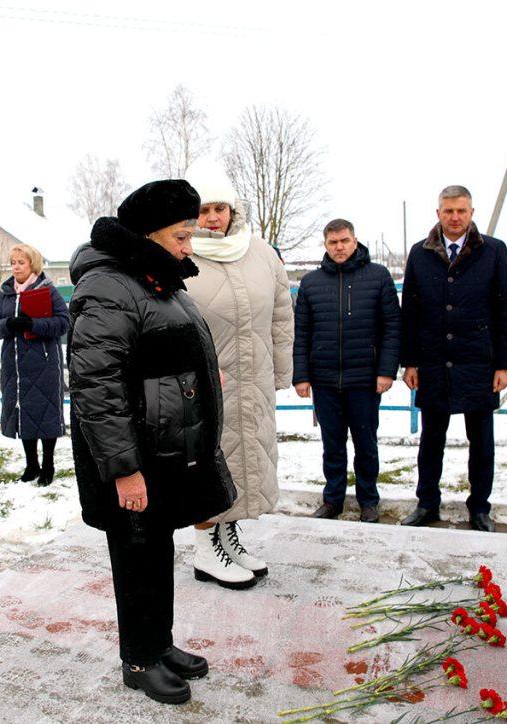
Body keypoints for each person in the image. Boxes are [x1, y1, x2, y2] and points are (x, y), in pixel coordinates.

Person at [69, 180, 237, 705]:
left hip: (165, 449)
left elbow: (163, 353)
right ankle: (138, 659)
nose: (190, 245)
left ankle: (158, 644)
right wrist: (123, 468)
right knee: (135, 554)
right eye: (182, 234)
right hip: (134, 457)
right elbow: (95, 385)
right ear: (149, 234)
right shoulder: (107, 286)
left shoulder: (157, 279)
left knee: (155, 548)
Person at [182, 161, 293, 588]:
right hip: (206, 385)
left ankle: (229, 536)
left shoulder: (259, 251)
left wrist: (281, 370)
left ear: (233, 210)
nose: (213, 218)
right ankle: (205, 549)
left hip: (254, 379)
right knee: (209, 461)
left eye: (220, 208)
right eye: (204, 209)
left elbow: (281, 314)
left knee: (245, 460)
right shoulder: (184, 253)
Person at [400, 186, 507, 532]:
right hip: (434, 362)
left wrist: (504, 365)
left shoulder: (493, 251)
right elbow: (410, 312)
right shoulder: (420, 254)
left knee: (481, 441)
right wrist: (410, 362)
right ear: (438, 213)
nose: (455, 217)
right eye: (448, 211)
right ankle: (427, 503)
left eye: (461, 211)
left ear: (471, 212)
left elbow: (506, 310)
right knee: (431, 440)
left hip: (479, 361)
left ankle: (480, 507)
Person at [293, 219, 401, 523]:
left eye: (344, 241)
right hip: (325, 379)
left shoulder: (378, 277)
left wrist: (386, 371)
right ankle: (333, 500)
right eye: (332, 242)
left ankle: (368, 500)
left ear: (355, 241)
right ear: (325, 245)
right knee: (332, 445)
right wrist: (301, 375)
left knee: (366, 443)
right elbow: (301, 332)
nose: (339, 247)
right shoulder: (311, 283)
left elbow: (392, 327)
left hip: (365, 378)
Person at [0, 243, 69, 486]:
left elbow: (63, 323)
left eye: (20, 262)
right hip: (15, 365)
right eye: (13, 262)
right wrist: (8, 324)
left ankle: (49, 465)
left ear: (32, 264)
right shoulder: (6, 294)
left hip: (43, 363)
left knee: (46, 413)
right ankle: (31, 464)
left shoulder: (48, 290)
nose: (15, 267)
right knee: (23, 412)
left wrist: (33, 325)